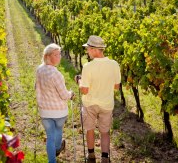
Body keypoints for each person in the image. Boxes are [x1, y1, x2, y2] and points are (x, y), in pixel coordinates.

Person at [75, 35, 121, 163]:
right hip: (106, 104)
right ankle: (105, 158)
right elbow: (116, 87)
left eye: (88, 49)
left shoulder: (88, 67)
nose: (87, 52)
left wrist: (79, 81)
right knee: (105, 132)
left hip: (90, 104)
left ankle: (91, 156)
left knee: (90, 129)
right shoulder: (114, 64)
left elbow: (84, 90)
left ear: (94, 49)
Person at [35, 43, 75, 163]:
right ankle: (57, 148)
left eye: (59, 54)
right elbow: (64, 95)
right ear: (48, 56)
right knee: (58, 131)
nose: (59, 57)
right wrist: (71, 94)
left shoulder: (39, 70)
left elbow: (37, 87)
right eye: (56, 55)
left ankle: (52, 160)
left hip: (44, 111)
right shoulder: (56, 74)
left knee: (50, 136)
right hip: (59, 111)